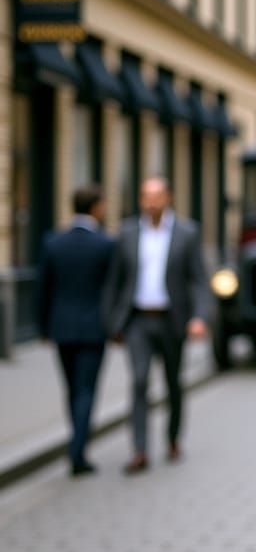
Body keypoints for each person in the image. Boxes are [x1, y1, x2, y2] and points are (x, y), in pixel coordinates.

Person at [105, 177, 209, 473]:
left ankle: (173, 438)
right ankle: (139, 449)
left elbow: (199, 280)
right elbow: (115, 282)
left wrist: (199, 317)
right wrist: (113, 324)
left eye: (156, 196)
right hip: (138, 319)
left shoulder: (187, 233)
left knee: (173, 382)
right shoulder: (126, 233)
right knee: (139, 381)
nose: (151, 201)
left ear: (168, 198)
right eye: (145, 196)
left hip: (172, 320)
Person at [37, 186, 116, 476]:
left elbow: (42, 289)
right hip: (94, 329)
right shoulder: (105, 245)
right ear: (96, 208)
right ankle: (78, 450)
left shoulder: (53, 242)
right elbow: (112, 289)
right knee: (86, 390)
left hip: (62, 328)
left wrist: (43, 328)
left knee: (71, 390)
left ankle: (77, 443)